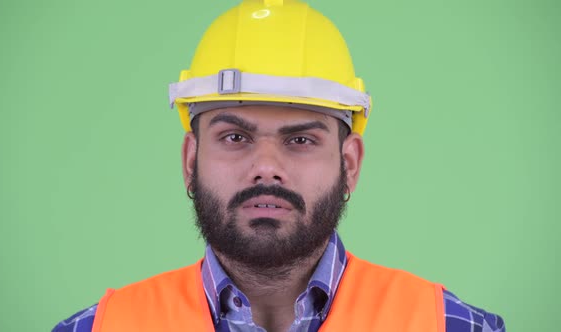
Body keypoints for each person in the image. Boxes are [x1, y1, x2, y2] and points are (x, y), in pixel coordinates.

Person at [53, 0, 505, 331]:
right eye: (235, 137)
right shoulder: (96, 329)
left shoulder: (452, 326)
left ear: (350, 164)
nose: (266, 168)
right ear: (191, 159)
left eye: (301, 139)